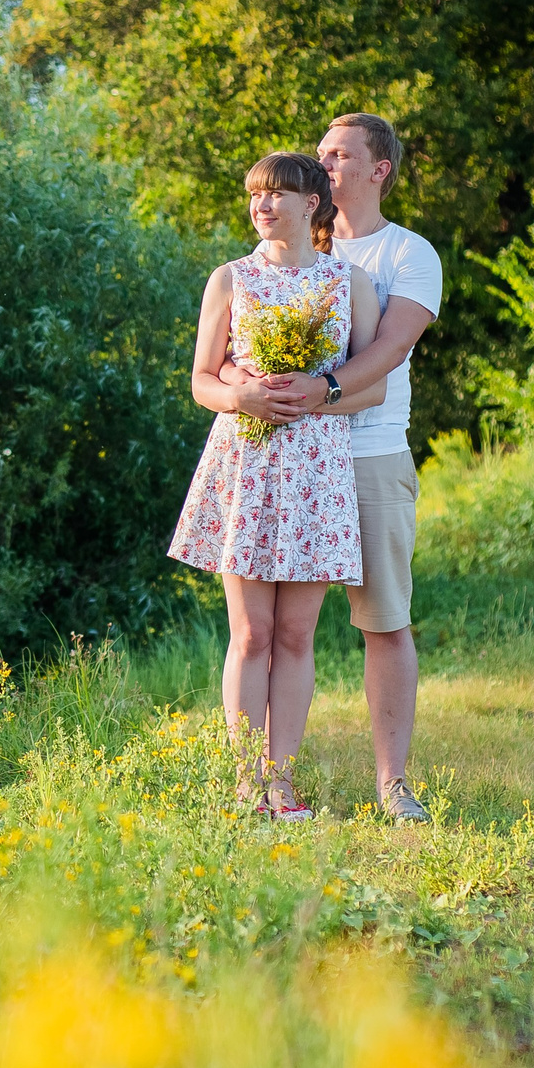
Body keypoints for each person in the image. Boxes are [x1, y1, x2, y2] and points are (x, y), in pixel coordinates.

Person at [228, 114, 441, 821]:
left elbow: (387, 353)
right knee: (278, 632)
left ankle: (391, 785)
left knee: (382, 619)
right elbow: (231, 342)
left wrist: (318, 392)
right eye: (320, 154)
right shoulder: (288, 250)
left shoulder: (407, 254)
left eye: (341, 154)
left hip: (370, 454)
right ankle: (266, 780)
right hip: (287, 461)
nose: (326, 164)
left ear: (378, 169)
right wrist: (249, 388)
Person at [168, 152, 382, 820]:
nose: (261, 206)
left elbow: (369, 384)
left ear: (311, 203)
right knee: (252, 634)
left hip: (318, 468)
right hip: (249, 466)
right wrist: (244, 396)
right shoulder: (231, 278)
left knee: (295, 636)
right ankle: (242, 784)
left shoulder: (350, 284)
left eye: (275, 195)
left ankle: (281, 784)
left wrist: (312, 399)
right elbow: (202, 379)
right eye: (254, 195)